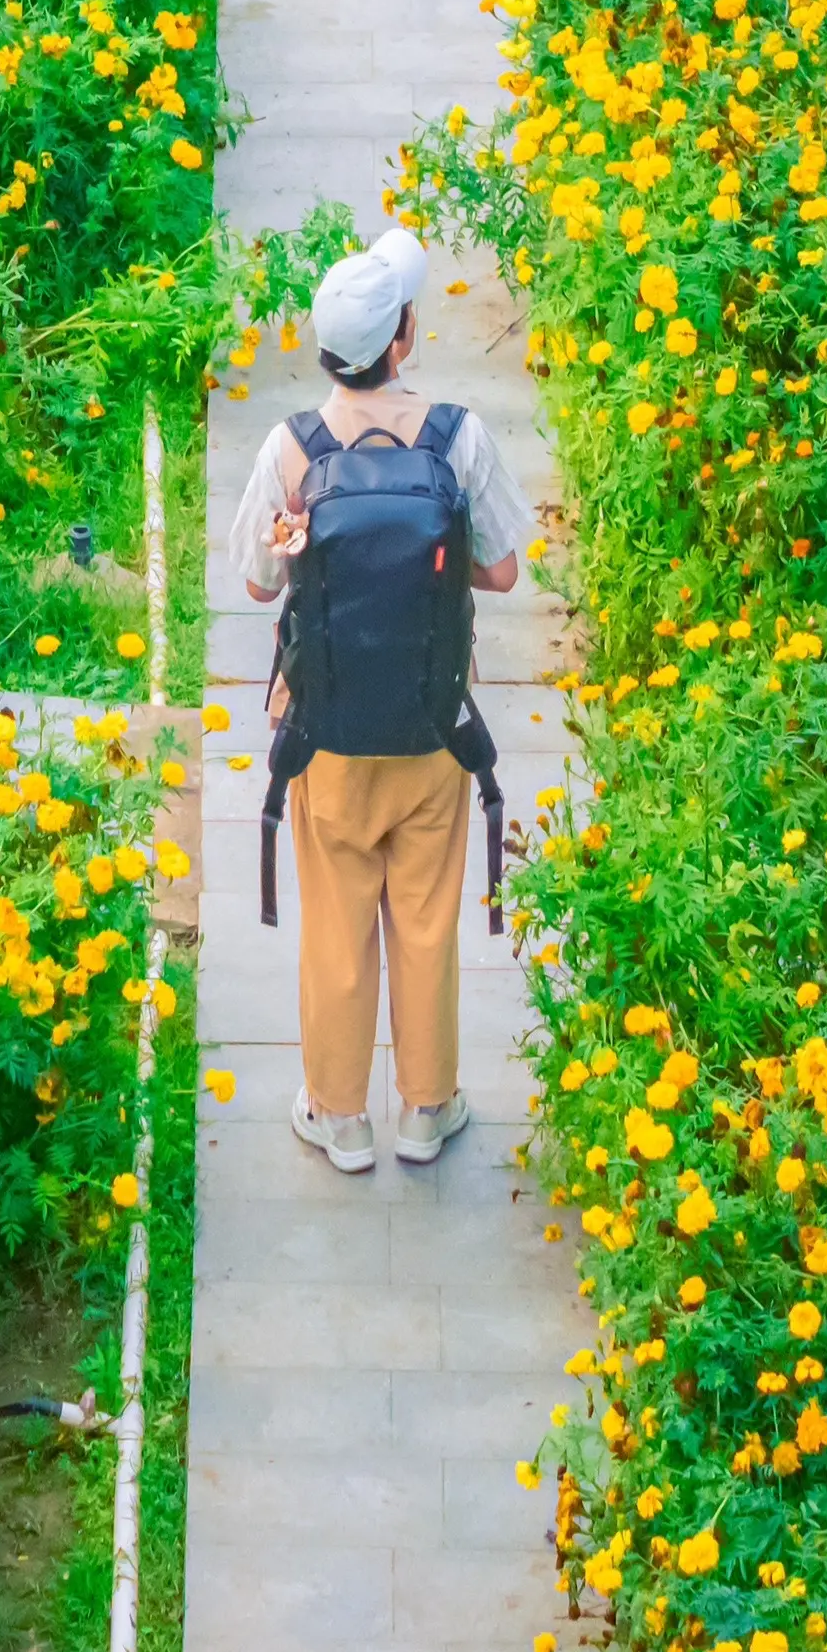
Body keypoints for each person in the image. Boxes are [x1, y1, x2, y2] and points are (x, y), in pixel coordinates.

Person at [228, 226, 534, 1173]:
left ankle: (340, 1116)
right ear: (403, 337)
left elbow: (257, 586)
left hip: (325, 732)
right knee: (426, 923)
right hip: (433, 726)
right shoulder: (458, 436)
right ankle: (426, 1110)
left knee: (338, 929)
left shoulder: (291, 449)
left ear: (325, 349)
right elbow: (503, 571)